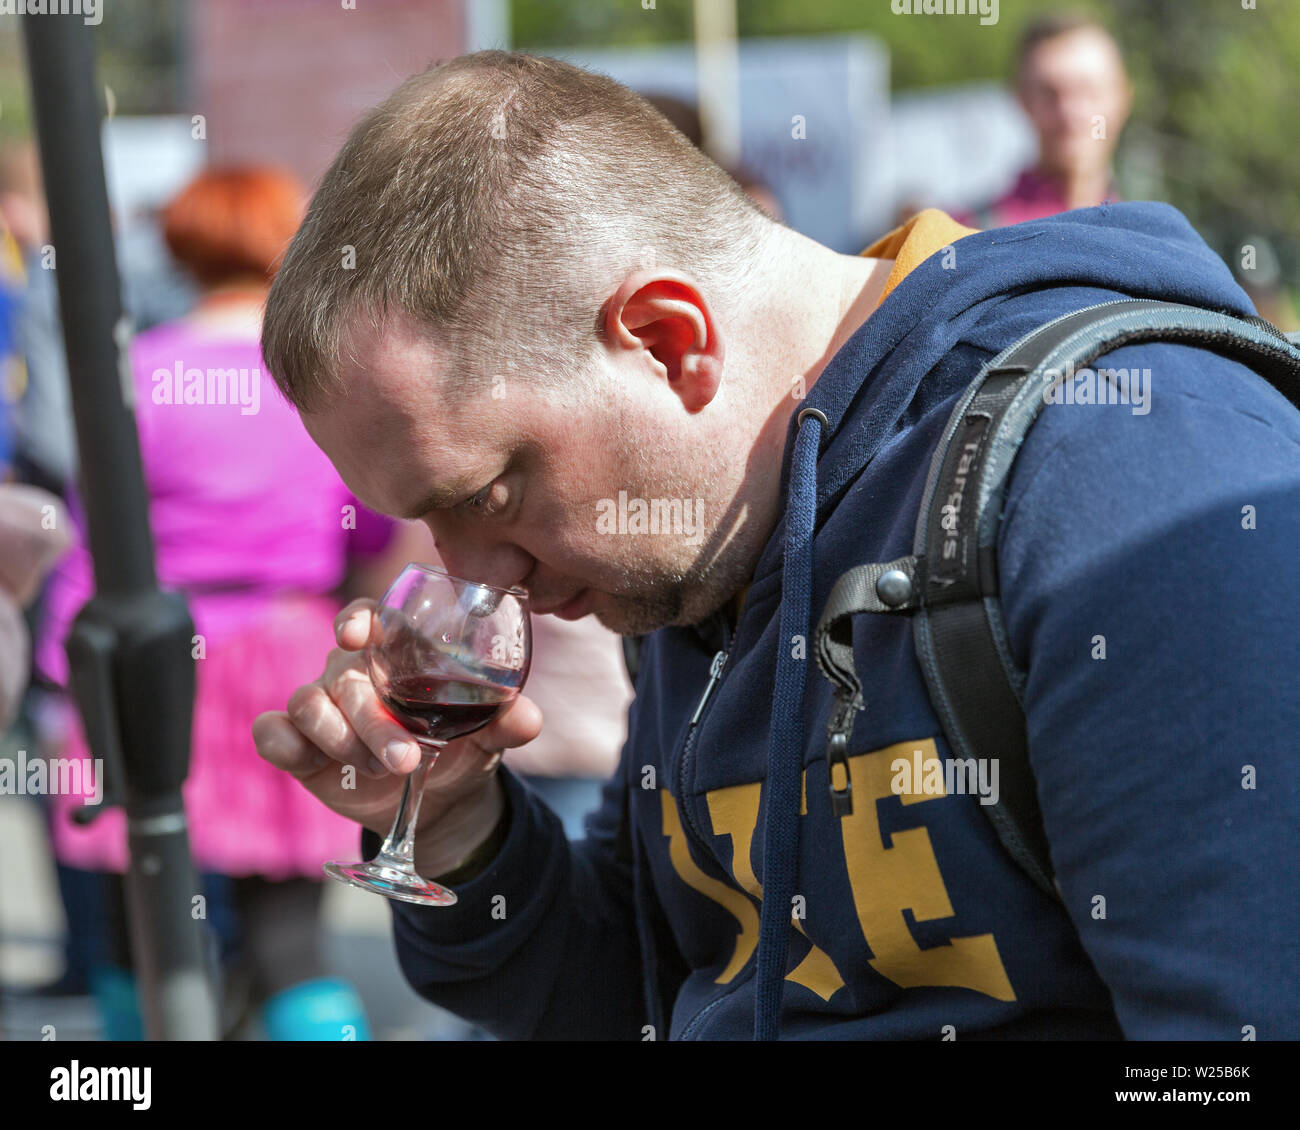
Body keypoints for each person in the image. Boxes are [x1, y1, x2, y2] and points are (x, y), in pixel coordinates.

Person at [252, 51, 1300, 1039]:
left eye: (488, 491)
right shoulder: (704, 545)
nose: (477, 574)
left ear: (669, 341)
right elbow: (642, 991)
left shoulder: (1132, 461)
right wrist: (454, 829)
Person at [35, 166, 382, 1040]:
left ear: (183, 246)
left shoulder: (139, 376)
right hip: (289, 653)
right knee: (290, 940)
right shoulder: (318, 376)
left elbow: (90, 548)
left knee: (138, 933)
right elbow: (372, 524)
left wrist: (54, 682)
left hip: (153, 657)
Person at [961, 12, 1133, 228]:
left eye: (1088, 90)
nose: (1069, 112)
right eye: (1049, 94)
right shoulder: (967, 235)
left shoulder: (1156, 240)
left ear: (1123, 97)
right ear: (1022, 100)